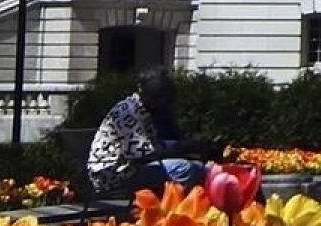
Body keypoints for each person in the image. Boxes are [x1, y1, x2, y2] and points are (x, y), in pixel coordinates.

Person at [84, 68, 221, 202]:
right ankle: (171, 210)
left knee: (197, 166)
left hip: (125, 168)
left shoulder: (140, 107)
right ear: (153, 98)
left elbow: (152, 146)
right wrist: (184, 148)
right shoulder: (129, 113)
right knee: (185, 168)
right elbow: (146, 154)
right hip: (113, 176)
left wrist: (189, 146)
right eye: (162, 99)